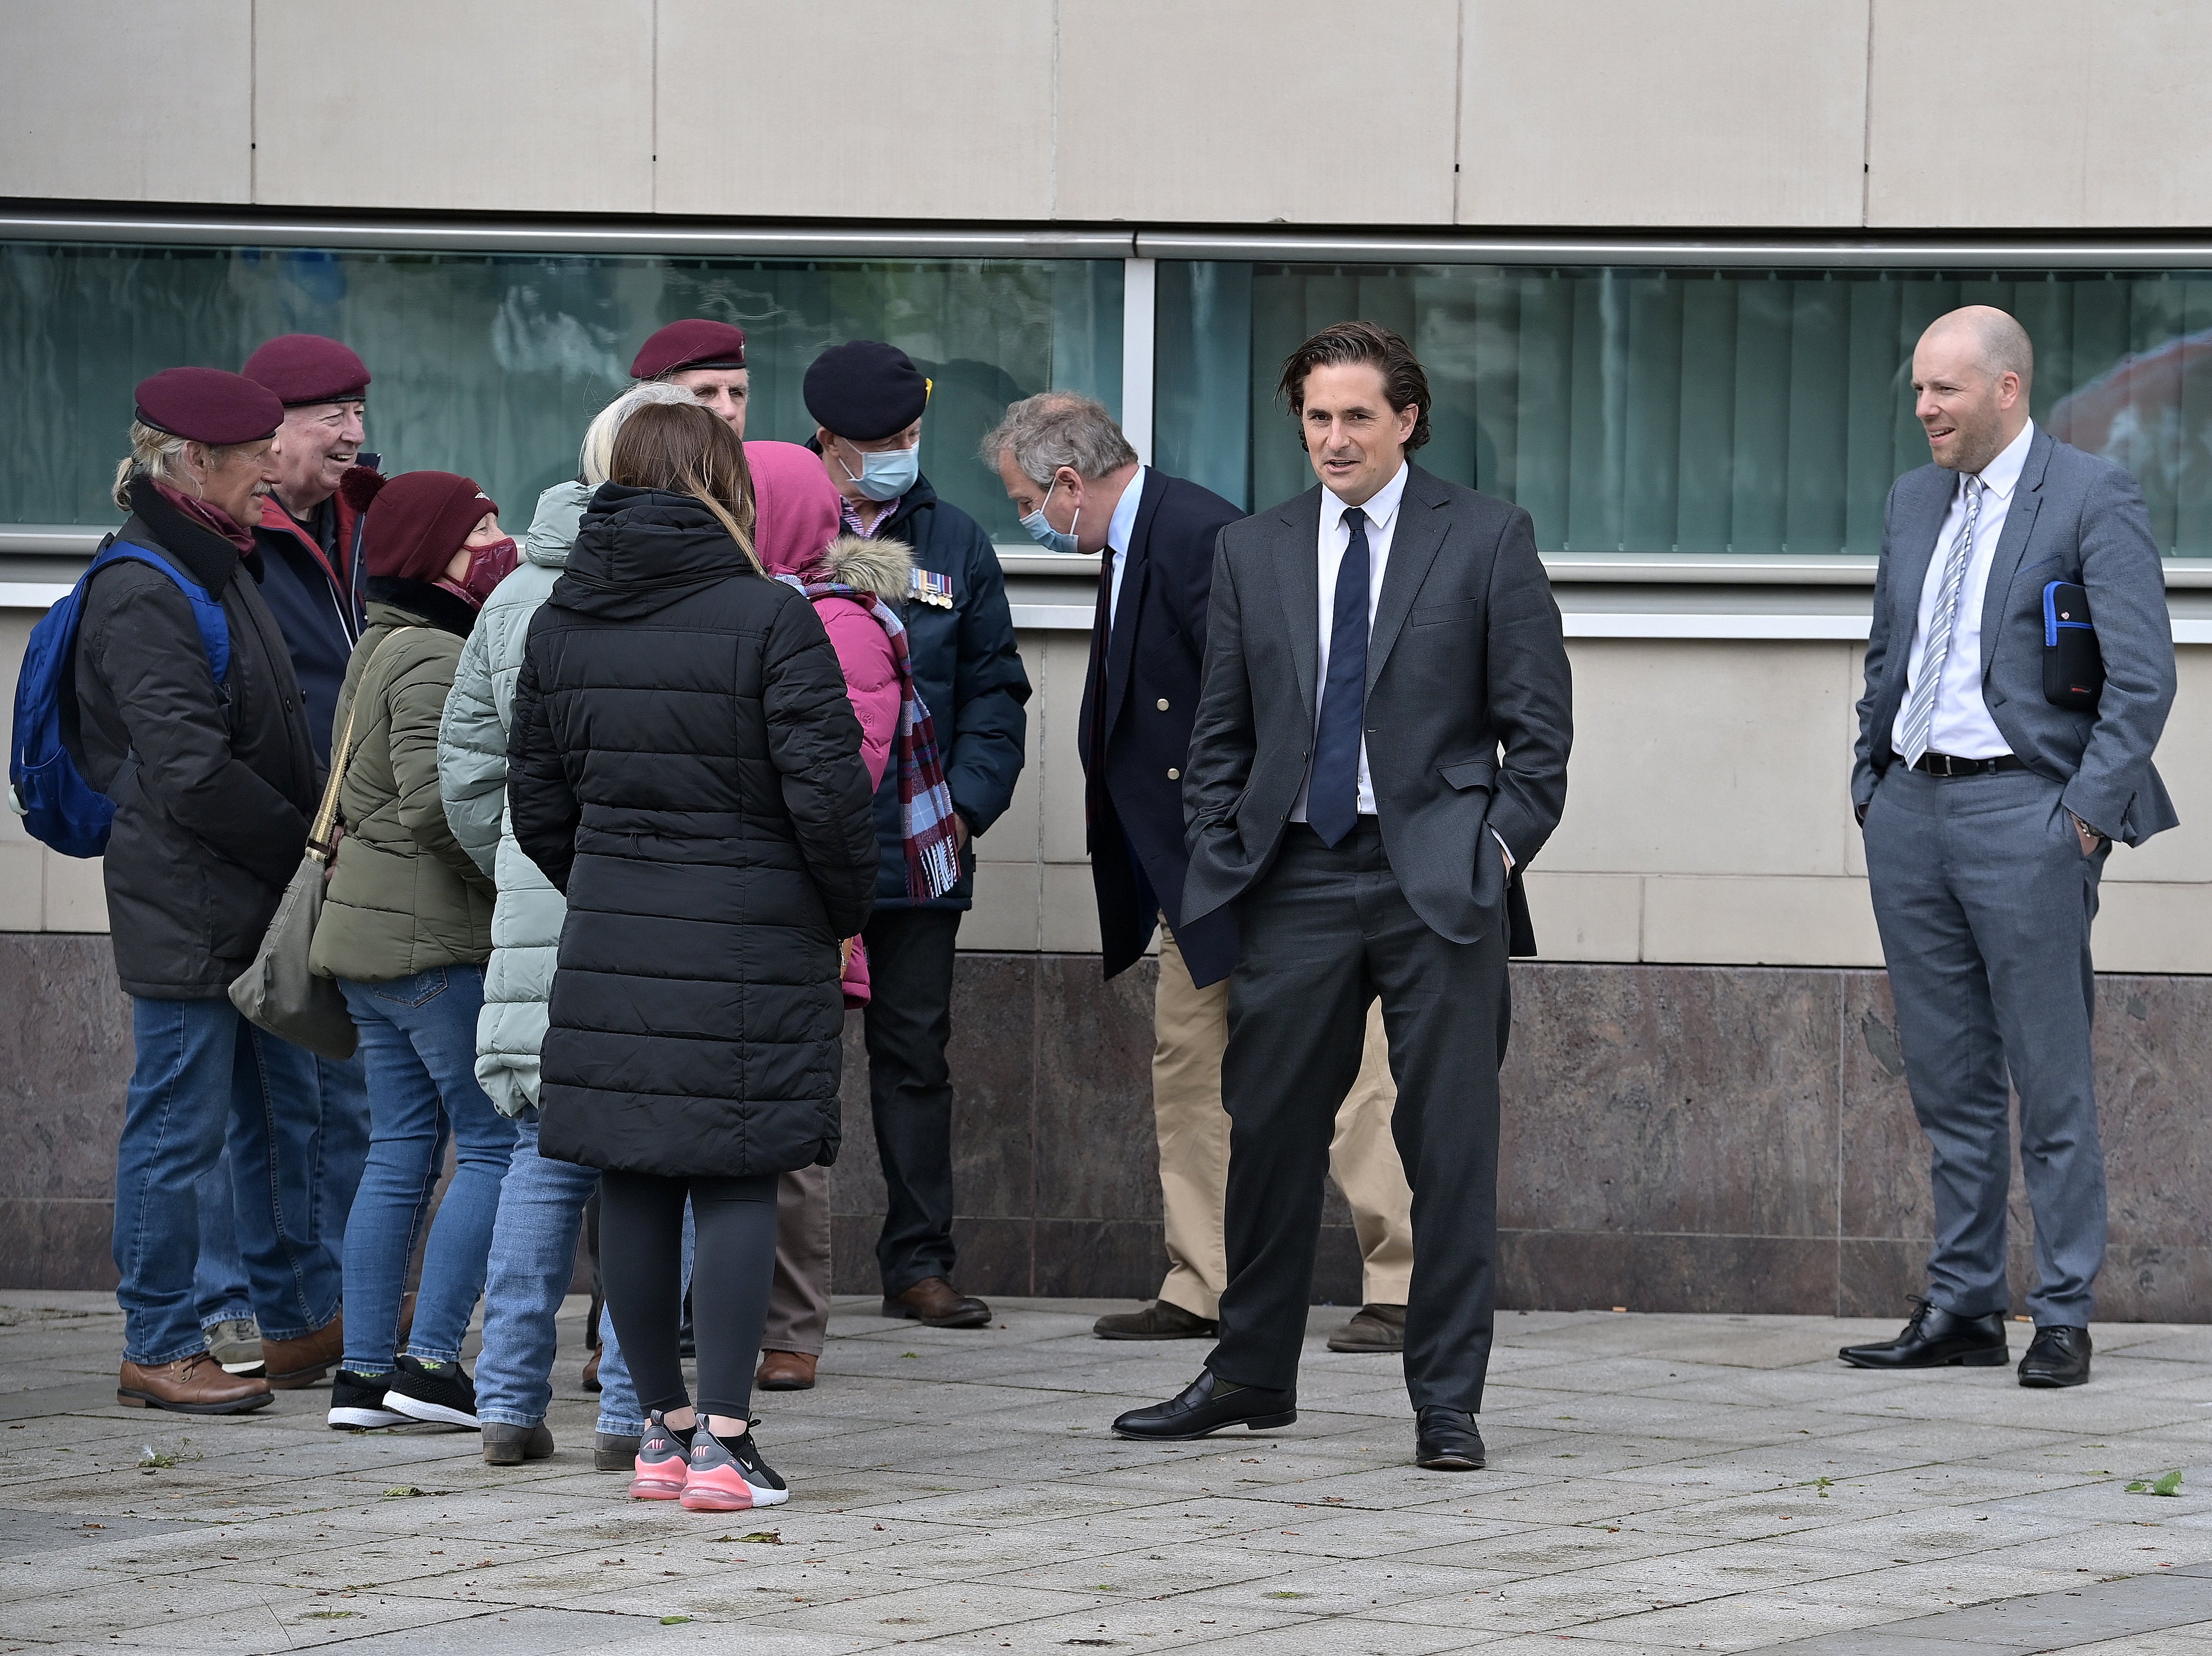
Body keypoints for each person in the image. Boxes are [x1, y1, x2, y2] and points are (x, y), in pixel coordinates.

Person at [1114, 322, 1573, 1473]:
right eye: (1317, 417)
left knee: (1447, 1144)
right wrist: (1227, 853)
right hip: (1295, 877)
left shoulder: (1485, 536)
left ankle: (1447, 1398)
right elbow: (1222, 728)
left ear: (1406, 418)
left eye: (1356, 416)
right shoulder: (1253, 551)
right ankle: (1252, 1373)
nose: (1333, 438)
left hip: (1438, 882)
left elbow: (1542, 737)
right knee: (1267, 1134)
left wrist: (1494, 851)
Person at [983, 393, 1419, 1352]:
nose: (1027, 518)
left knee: (1350, 1074)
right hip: (1194, 875)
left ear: (1066, 482)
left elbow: (1277, 700)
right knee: (1189, 1067)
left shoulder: (1202, 533)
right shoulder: (1141, 538)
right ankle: (1203, 1278)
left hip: (1261, 865)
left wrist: (1248, 850)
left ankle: (1399, 1279)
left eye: (1024, 498)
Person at [509, 400, 878, 1510]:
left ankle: (661, 1437)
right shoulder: (767, 616)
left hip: (617, 926)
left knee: (631, 1173)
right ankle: (726, 1440)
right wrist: (837, 908)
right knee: (735, 1172)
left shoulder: (561, 622)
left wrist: (615, 881)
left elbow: (538, 804)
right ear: (727, 488)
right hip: (754, 930)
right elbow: (829, 799)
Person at [1842, 307, 2178, 1390]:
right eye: (1916, 391)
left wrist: (2079, 818)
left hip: (2025, 817)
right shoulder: (1911, 500)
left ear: (2007, 388)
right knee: (1948, 1081)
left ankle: (2065, 1308)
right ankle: (1965, 1303)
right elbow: (1889, 653)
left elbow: (2143, 677)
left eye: (1943, 390)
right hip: (1910, 815)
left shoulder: (2090, 495)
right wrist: (1870, 780)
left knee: (2050, 1075)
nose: (1923, 409)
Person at [75, 369, 345, 1412]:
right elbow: (188, 771)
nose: (271, 473)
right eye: (253, 459)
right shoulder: (145, 582)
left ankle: (292, 1322)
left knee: (284, 1116)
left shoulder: (217, 557)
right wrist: (303, 846)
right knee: (178, 1126)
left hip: (249, 895)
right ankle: (157, 1337)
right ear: (192, 463)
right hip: (191, 904)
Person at [439, 381, 698, 1467]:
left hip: (544, 911)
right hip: (670, 918)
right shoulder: (706, 587)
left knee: (543, 1153)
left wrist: (525, 858)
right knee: (666, 1161)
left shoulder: (514, 597)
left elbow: (467, 772)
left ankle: (505, 1402)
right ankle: (635, 1410)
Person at [803, 340, 1030, 1330]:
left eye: (909, 435)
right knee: (790, 1063)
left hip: (919, 850)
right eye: (878, 442)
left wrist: (968, 803)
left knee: (914, 1057)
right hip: (801, 855)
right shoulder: (781, 528)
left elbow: (996, 689)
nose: (900, 452)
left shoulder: (957, 539)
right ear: (828, 445)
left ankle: (919, 1262)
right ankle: (775, 1281)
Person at [309, 471, 520, 1432]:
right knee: (493, 1140)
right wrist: (515, 872)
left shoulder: (380, 640)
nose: (498, 539)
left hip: (364, 936)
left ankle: (363, 1373)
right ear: (434, 547)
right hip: (431, 941)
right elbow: (441, 803)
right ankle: (433, 1362)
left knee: (398, 1150)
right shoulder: (436, 650)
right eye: (479, 527)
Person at [189, 333, 381, 1375]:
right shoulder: (224, 537)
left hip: (352, 860)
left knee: (337, 1092)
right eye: (331, 414)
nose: (355, 432)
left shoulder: (377, 521)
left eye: (360, 408)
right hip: (249, 848)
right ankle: (227, 1304)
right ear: (269, 431)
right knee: (237, 1097)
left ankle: (317, 1309)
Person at [745, 440, 930, 1391]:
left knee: (790, 1130)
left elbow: (844, 775)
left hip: (796, 908)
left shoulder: (845, 623)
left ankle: (791, 1327)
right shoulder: (734, 604)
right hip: (733, 902)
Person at [631, 319, 749, 434]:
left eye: (736, 393)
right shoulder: (622, 454)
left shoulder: (762, 453)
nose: (729, 411)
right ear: (653, 406)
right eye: (705, 393)